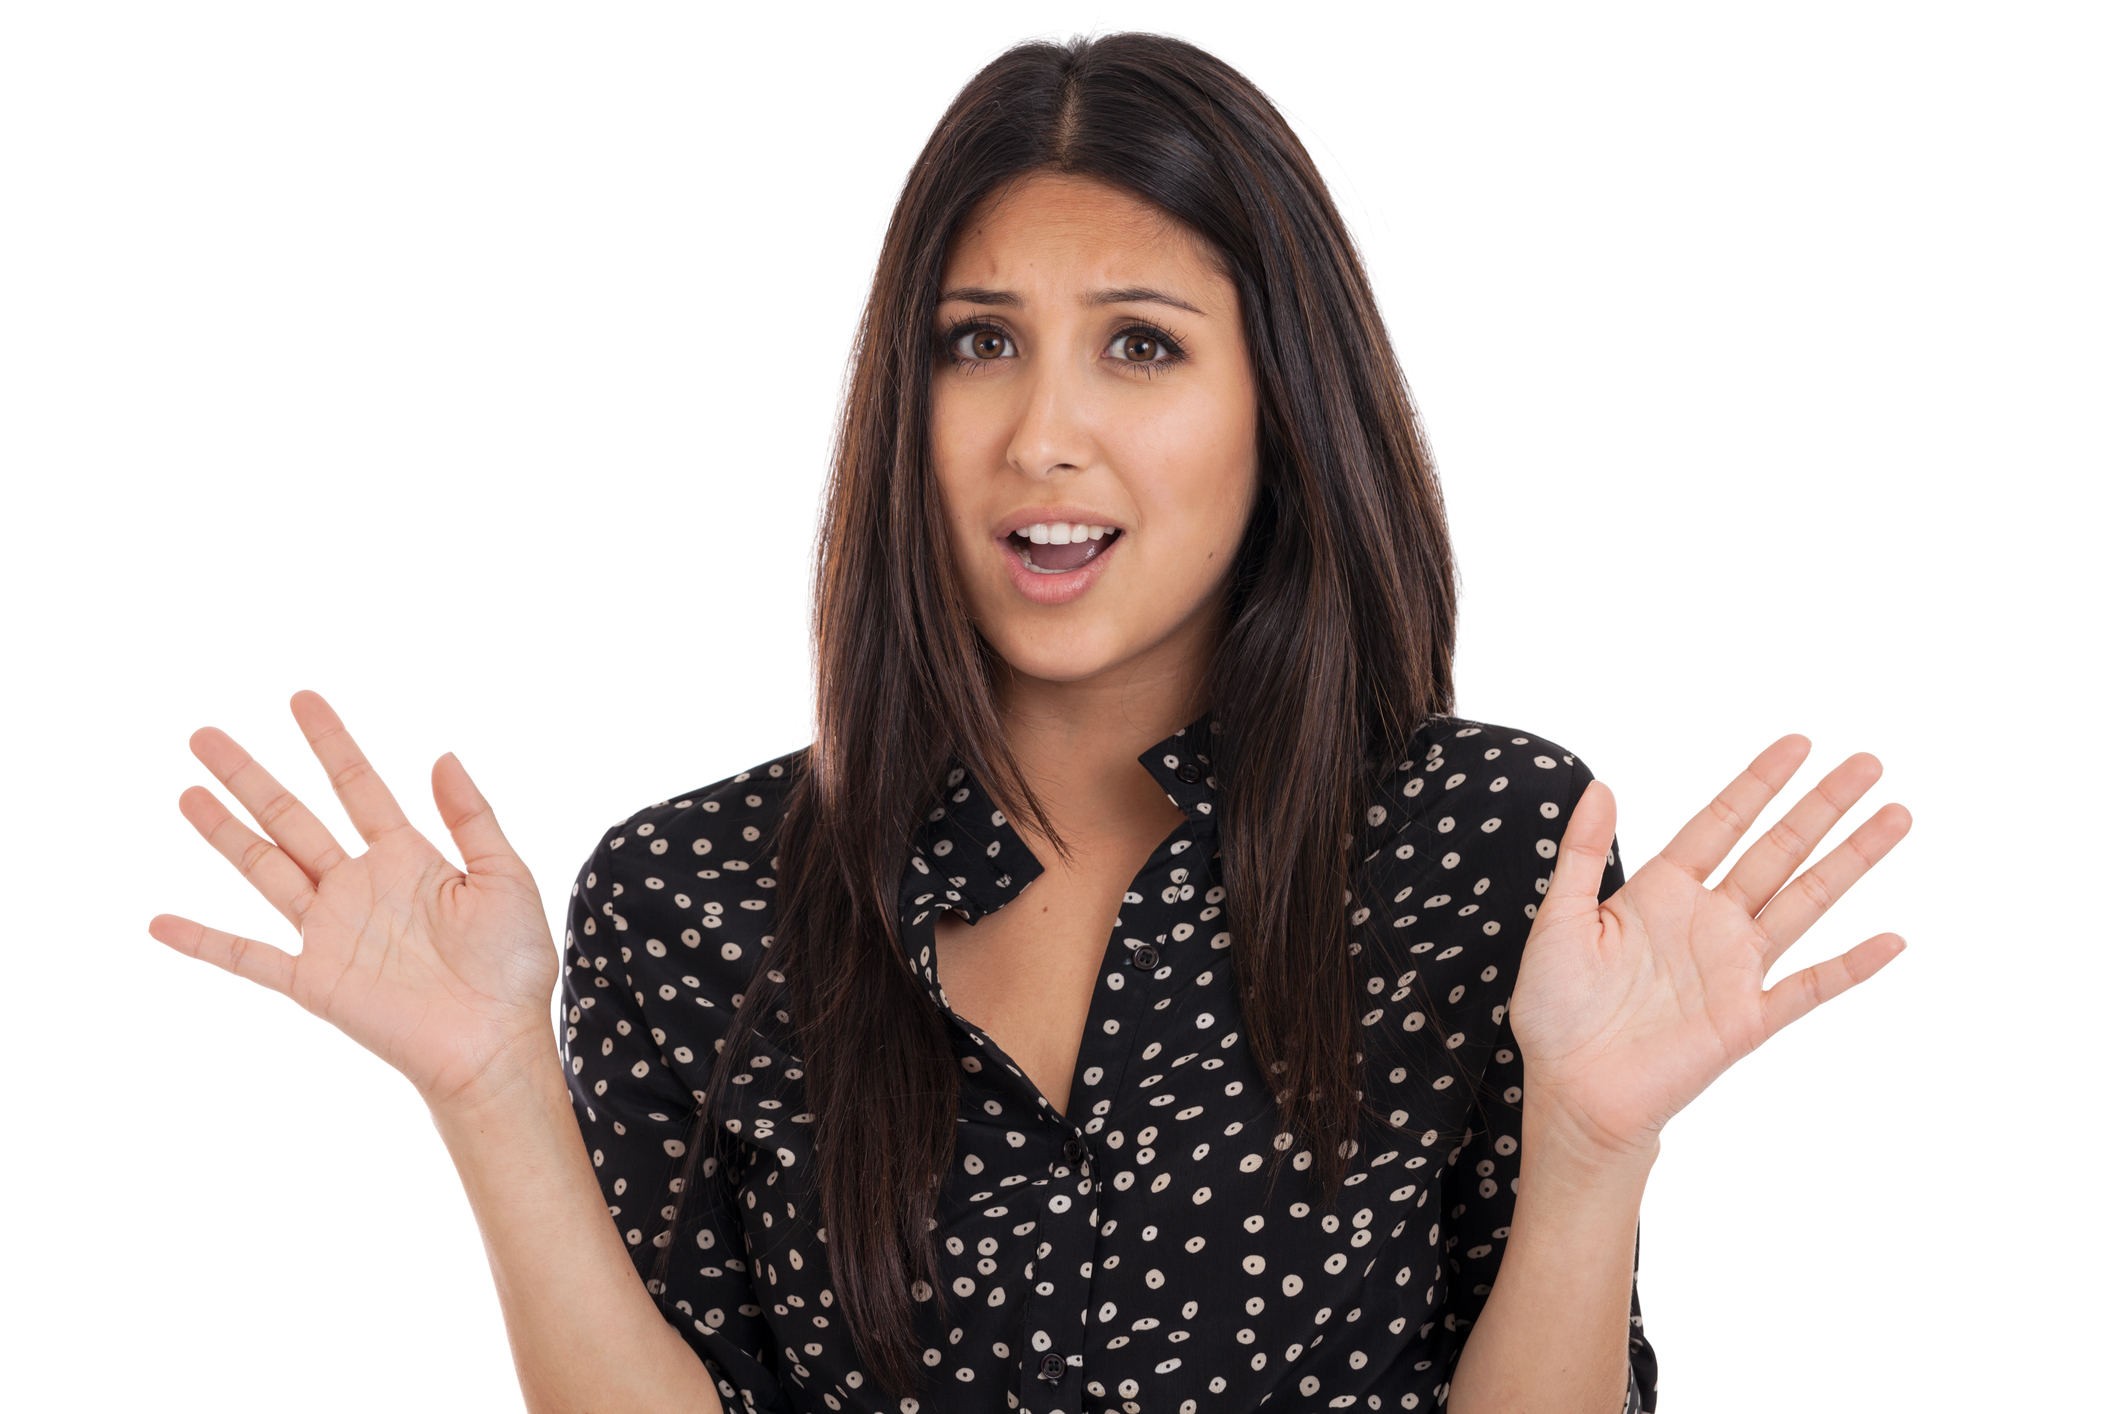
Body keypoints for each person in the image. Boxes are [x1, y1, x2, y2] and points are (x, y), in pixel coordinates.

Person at [149, 33, 1910, 1414]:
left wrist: (1591, 1153)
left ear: (1280, 399)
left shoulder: (1482, 844)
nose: (1040, 434)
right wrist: (492, 1091)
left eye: (1139, 346)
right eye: (976, 344)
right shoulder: (693, 895)